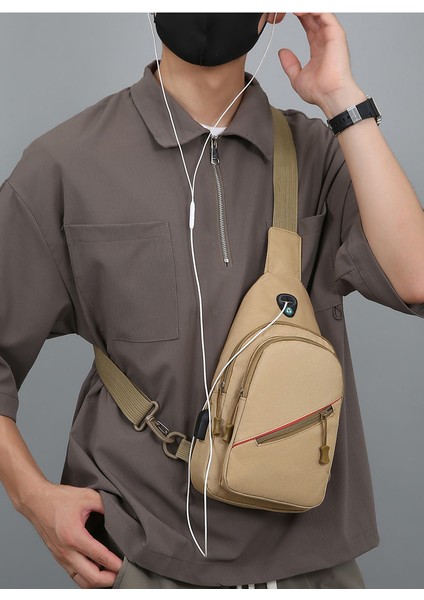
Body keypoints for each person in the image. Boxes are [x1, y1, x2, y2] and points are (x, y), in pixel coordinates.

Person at [0, 12, 423, 590]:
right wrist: (31, 497)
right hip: (139, 551)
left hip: (310, 556)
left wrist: (342, 100)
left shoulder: (320, 155)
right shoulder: (66, 162)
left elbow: (413, 278)